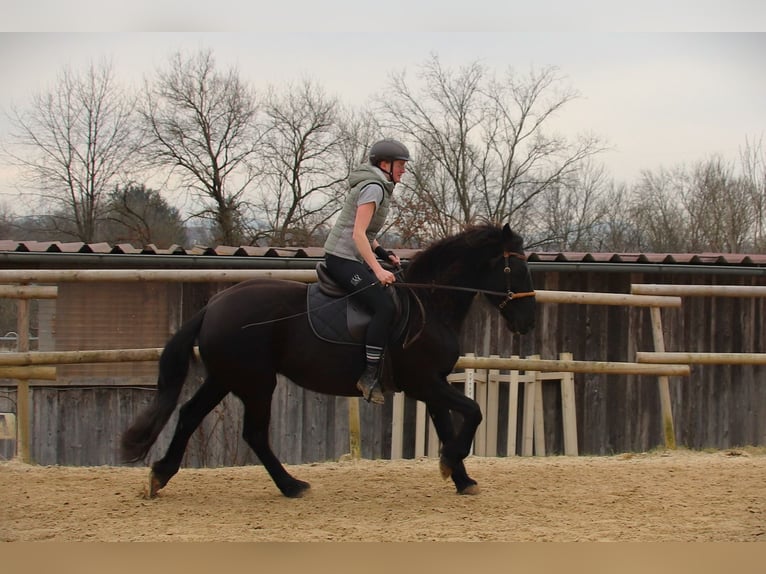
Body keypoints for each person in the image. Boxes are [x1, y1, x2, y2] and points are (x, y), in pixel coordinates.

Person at [323, 139, 410, 404]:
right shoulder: (373, 187)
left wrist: (385, 255)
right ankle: (369, 375)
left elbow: (367, 235)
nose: (404, 170)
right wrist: (377, 270)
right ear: (385, 164)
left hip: (352, 256)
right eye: (401, 165)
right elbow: (357, 234)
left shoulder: (379, 186)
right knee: (384, 306)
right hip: (342, 258)